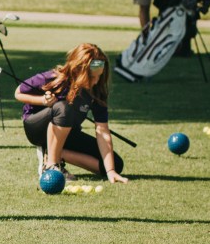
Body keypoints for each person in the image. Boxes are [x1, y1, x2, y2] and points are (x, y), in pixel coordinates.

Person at [15, 43, 128, 184]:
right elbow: (18, 93)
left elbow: (102, 130)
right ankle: (51, 165)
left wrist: (111, 171)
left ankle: (55, 153)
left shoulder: (97, 91)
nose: (96, 81)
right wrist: (43, 100)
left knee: (115, 164)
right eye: (92, 77)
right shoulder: (53, 77)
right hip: (36, 128)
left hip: (68, 133)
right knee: (63, 108)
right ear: (78, 70)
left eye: (99, 76)